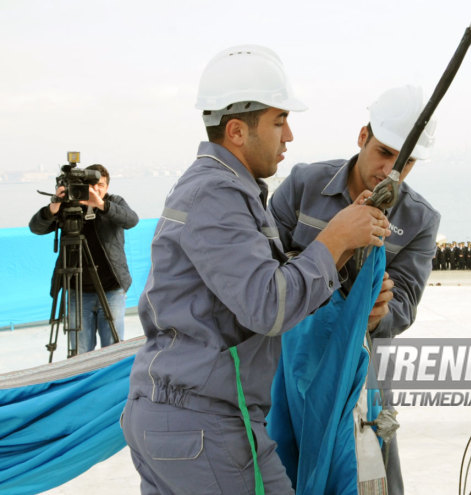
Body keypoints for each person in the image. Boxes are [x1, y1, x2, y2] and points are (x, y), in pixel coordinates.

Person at [121, 45, 390, 495]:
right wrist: (336, 238)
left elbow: (262, 289)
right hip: (204, 425)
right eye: (279, 120)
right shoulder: (216, 194)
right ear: (237, 131)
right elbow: (268, 305)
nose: (289, 136)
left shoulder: (221, 188)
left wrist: (341, 262)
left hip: (183, 422)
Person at [269, 84, 440, 495]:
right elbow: (262, 266)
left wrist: (380, 312)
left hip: (359, 369)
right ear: (363, 137)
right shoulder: (303, 185)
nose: (390, 171)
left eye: (406, 161)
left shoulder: (419, 220)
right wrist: (332, 245)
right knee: (280, 460)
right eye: (383, 152)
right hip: (287, 363)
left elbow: (405, 305)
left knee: (371, 468)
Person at [29, 164, 138, 353]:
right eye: (92, 185)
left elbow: (132, 220)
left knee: (113, 348)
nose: (96, 189)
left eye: (101, 185)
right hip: (77, 292)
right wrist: (53, 208)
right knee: (80, 350)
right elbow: (36, 228)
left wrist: (101, 205)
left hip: (112, 289)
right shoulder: (68, 205)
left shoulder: (114, 202)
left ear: (107, 187)